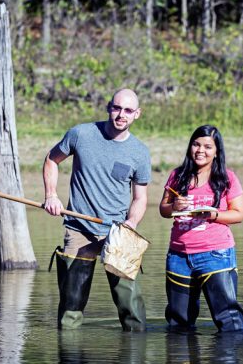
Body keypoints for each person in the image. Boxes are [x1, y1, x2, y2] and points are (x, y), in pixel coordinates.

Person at [43, 88, 151, 331]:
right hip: (78, 229)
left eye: (128, 110)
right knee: (70, 311)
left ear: (137, 114)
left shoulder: (140, 152)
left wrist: (131, 224)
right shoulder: (81, 134)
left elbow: (140, 198)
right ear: (108, 107)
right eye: (116, 108)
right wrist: (51, 195)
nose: (121, 114)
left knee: (132, 311)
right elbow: (51, 160)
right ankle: (69, 354)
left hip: (118, 232)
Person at [159, 124, 243, 332]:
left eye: (207, 146)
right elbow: (163, 209)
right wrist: (174, 207)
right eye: (196, 145)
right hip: (178, 257)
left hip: (215, 255)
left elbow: (238, 214)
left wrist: (213, 215)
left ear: (217, 152)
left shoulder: (227, 177)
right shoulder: (177, 175)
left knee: (229, 321)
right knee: (178, 322)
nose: (200, 150)